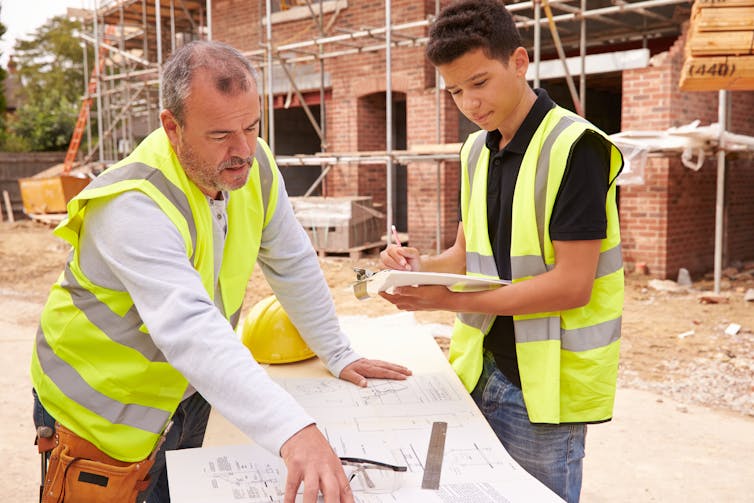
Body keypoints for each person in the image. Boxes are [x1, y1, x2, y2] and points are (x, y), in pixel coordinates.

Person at [31, 40, 411, 503]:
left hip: (188, 395)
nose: (243, 150)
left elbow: (292, 262)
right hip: (100, 417)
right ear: (172, 127)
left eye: (251, 127)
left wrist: (337, 351)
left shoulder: (255, 165)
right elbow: (190, 328)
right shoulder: (131, 204)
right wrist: (294, 431)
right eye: (220, 135)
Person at [379, 1, 623, 502]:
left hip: (543, 391)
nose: (469, 102)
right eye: (454, 91)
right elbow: (467, 255)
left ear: (518, 61)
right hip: (476, 370)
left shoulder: (576, 148)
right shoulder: (475, 151)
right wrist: (418, 269)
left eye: (479, 82)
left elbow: (572, 286)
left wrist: (447, 302)